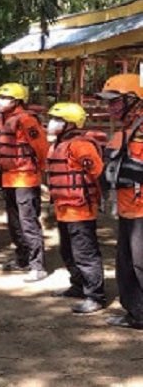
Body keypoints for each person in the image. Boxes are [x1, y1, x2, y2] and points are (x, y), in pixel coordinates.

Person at [45, 102, 106, 314]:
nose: (52, 122)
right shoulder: (58, 144)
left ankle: (95, 296)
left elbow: (97, 171)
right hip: (63, 208)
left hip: (80, 208)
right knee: (68, 251)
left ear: (71, 124)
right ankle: (78, 286)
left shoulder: (80, 145)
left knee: (85, 254)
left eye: (58, 119)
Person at [96, 73, 143, 328]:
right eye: (108, 102)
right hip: (127, 210)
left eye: (115, 101)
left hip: (141, 211)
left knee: (140, 263)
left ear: (134, 101)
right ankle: (136, 314)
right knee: (125, 264)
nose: (110, 106)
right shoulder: (124, 132)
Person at [0, 83, 49, 282]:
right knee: (14, 222)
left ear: (16, 101)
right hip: (8, 177)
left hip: (26, 176)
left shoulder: (26, 120)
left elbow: (41, 147)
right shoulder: (3, 119)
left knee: (28, 222)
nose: (0, 100)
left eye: (5, 97)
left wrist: (42, 171)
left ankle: (38, 265)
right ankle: (22, 257)